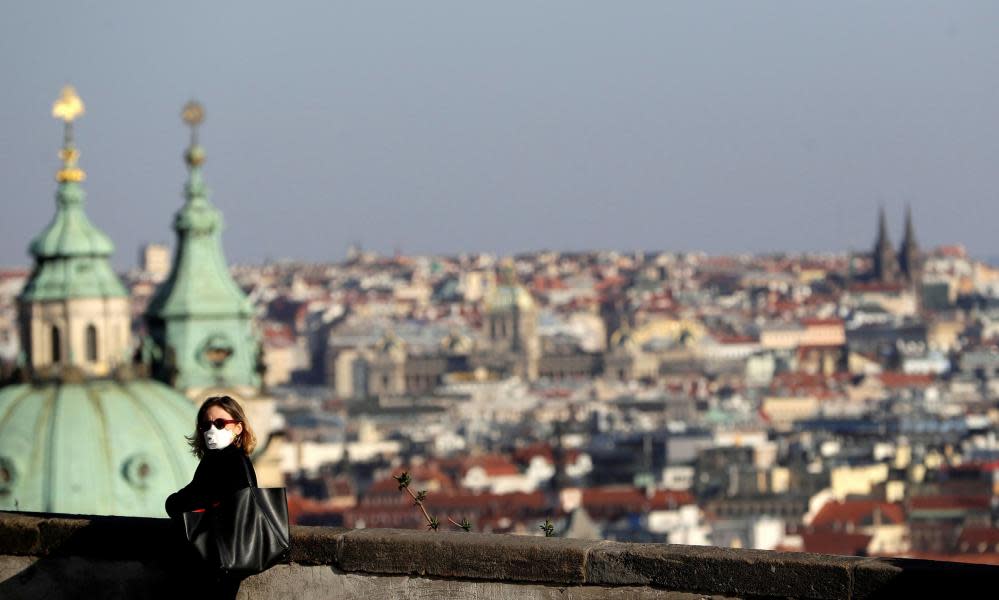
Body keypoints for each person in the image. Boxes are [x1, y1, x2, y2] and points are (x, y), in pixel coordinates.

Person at [166, 395, 258, 519]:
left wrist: (171, 502)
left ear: (238, 428)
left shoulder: (223, 460)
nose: (212, 430)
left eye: (220, 423)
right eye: (206, 425)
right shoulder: (237, 457)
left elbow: (191, 499)